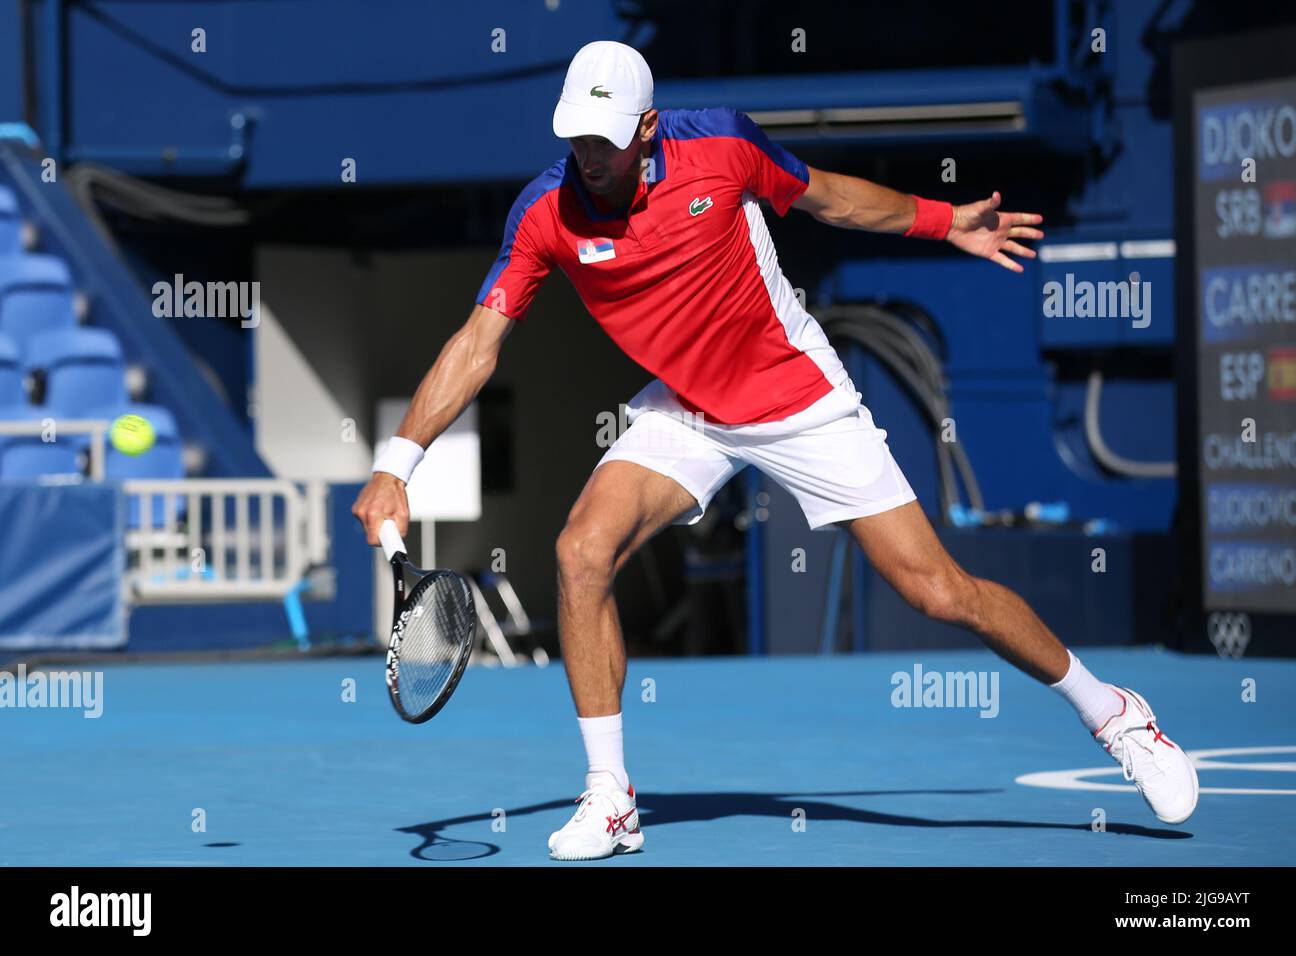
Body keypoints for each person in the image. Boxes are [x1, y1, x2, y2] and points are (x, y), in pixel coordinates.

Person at [353, 40, 1198, 861]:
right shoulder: (545, 212)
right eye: (575, 136)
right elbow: (478, 342)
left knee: (937, 590)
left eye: (605, 141)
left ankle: (1115, 714)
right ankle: (610, 797)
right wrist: (398, 462)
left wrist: (947, 225)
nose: (588, 156)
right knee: (581, 550)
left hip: (796, 395)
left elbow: (831, 197)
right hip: (687, 407)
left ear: (648, 128)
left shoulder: (721, 144)